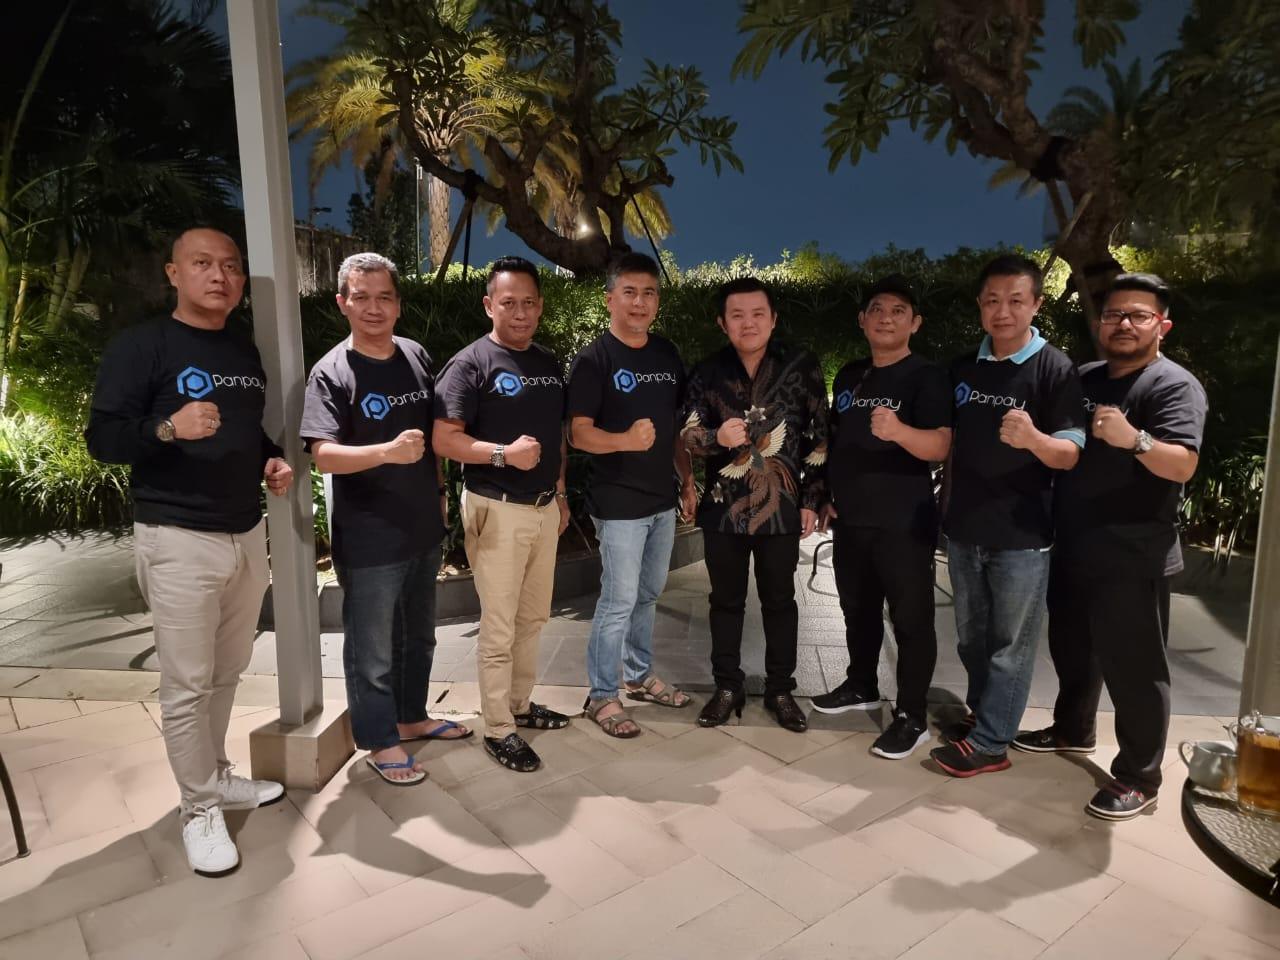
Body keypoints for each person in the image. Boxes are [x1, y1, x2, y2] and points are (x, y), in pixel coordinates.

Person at [85, 227, 294, 876]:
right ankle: (198, 808)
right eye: (203, 263)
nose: (220, 276)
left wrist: (270, 459)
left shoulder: (240, 348)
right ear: (173, 273)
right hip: (177, 538)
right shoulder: (141, 345)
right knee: (186, 685)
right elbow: (103, 439)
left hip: (244, 534)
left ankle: (218, 776)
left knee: (227, 672)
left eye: (230, 266)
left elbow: (245, 431)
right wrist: (167, 428)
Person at [1014, 273, 1206, 819]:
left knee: (1135, 667)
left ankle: (1140, 776)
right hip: (1074, 542)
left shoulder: (1173, 385)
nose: (1123, 323)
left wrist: (1135, 439)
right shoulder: (1086, 376)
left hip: (1132, 552)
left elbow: (1183, 464)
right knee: (1073, 649)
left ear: (1162, 325)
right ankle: (1072, 729)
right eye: (1113, 314)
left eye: (1138, 315)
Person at [300, 252, 470, 788]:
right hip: (369, 536)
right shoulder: (332, 372)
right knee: (371, 649)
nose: (373, 308)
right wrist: (386, 453)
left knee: (419, 638)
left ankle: (411, 716)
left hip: (421, 526)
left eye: (384, 297)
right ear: (342, 303)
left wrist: (439, 492)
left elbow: (434, 439)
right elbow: (323, 455)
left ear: (398, 304)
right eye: (361, 297)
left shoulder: (416, 355)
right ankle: (379, 740)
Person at [929, 254, 1085, 778]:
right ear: (980, 305)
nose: (1003, 311)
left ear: (1036, 304)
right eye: (993, 301)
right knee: (972, 640)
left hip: (1022, 534)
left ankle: (993, 743)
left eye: (1016, 301)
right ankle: (984, 718)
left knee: (1009, 646)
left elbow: (1069, 453)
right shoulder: (963, 367)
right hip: (964, 529)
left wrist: (1035, 439)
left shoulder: (1055, 368)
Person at [432, 256, 572, 772]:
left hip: (542, 508)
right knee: (499, 625)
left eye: (529, 303)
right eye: (509, 303)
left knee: (533, 617)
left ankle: (519, 703)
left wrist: (560, 493)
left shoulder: (547, 361)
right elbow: (444, 438)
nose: (520, 313)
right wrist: (502, 454)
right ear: (489, 305)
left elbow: (557, 435)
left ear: (541, 306)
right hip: (496, 507)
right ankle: (498, 727)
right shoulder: (470, 364)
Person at [814, 275, 952, 759]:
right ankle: (861, 685)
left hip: (904, 521)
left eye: (898, 311)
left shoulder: (927, 376)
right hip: (851, 519)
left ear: (915, 322)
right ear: (862, 320)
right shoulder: (850, 377)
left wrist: (899, 431)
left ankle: (911, 715)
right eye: (876, 309)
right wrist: (826, 495)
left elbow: (940, 445)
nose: (886, 318)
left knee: (911, 619)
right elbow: (836, 441)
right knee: (857, 610)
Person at [682, 276, 829, 733]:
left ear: (773, 318)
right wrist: (715, 436)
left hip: (781, 508)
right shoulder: (707, 370)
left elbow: (819, 436)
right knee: (724, 602)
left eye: (757, 313)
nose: (748, 323)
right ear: (722, 322)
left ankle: (781, 689)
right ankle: (728, 686)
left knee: (780, 602)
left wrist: (811, 499)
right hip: (723, 510)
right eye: (737, 315)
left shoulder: (802, 365)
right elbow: (687, 435)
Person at [567, 253, 697, 738]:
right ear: (610, 300)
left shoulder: (666, 354)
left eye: (648, 293)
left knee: (647, 595)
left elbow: (676, 429)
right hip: (618, 502)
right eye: (629, 292)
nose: (639, 302)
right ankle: (602, 695)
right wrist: (624, 440)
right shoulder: (594, 360)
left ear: (656, 301)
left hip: (661, 500)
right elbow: (578, 433)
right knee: (618, 600)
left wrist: (687, 480)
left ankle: (639, 675)